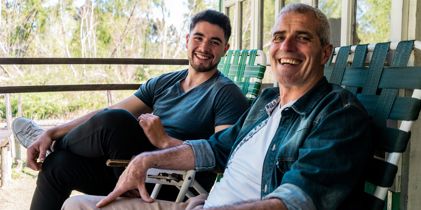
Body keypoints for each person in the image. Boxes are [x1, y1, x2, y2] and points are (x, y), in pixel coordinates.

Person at [62, 3, 373, 210]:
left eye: (302, 38)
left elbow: (295, 199)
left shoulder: (338, 113)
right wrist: (145, 160)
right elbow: (215, 148)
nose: (286, 47)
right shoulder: (266, 103)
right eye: (279, 37)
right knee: (76, 206)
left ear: (324, 53)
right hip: (201, 202)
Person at [12, 9, 250, 210]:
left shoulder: (227, 94)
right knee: (57, 165)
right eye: (198, 38)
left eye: (214, 42)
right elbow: (105, 113)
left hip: (173, 180)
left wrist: (165, 141)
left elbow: (225, 158)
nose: (204, 47)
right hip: (129, 167)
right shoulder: (164, 83)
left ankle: (55, 145)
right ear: (187, 40)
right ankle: (54, 145)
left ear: (225, 48)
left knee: (118, 121)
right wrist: (53, 131)